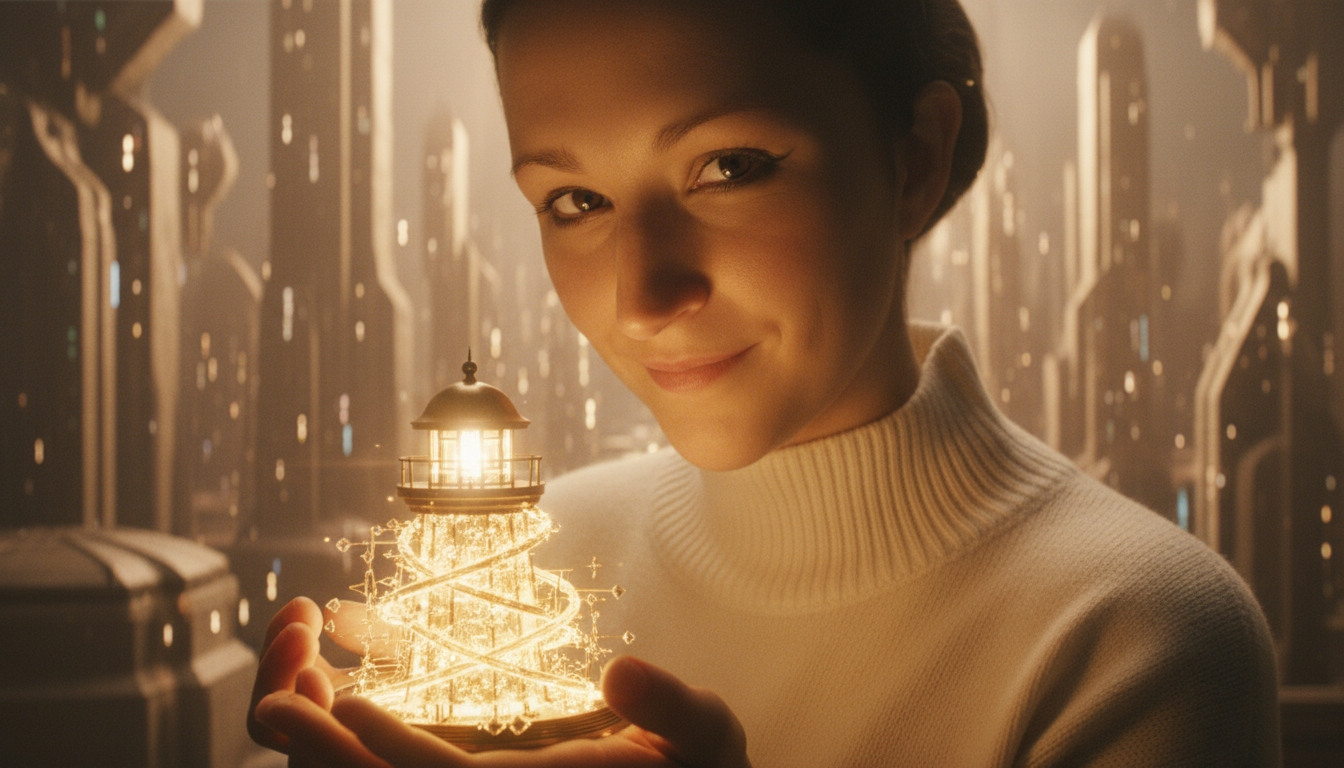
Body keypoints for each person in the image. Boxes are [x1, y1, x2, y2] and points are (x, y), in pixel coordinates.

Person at [248, 0, 1282, 765]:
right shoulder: (516, 592)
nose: (645, 295)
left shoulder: (1137, 638)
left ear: (916, 159)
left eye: (729, 167)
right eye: (574, 200)